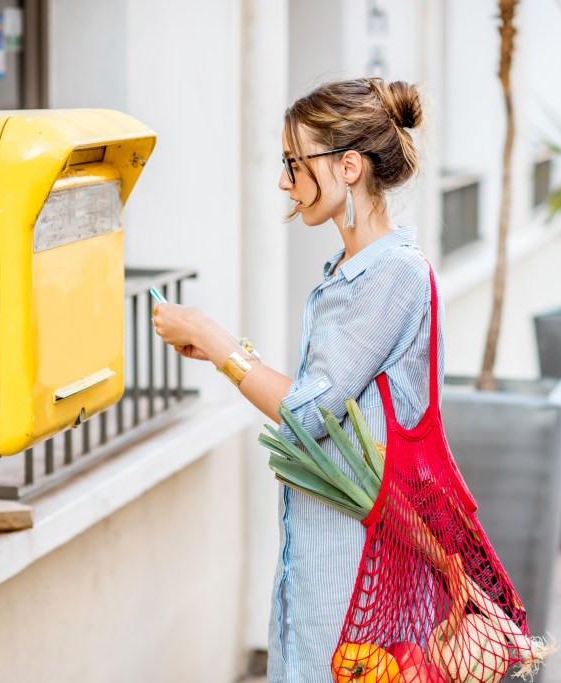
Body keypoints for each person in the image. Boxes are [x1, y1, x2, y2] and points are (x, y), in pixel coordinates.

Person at [151, 78, 439, 681]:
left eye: (294, 163)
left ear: (349, 166)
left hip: (358, 575)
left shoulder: (392, 274)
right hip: (324, 557)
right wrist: (226, 353)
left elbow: (309, 414)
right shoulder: (350, 272)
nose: (286, 182)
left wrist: (215, 338)